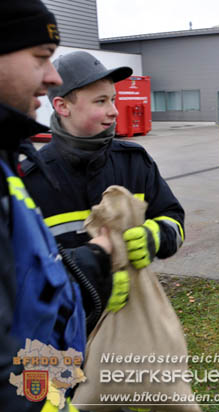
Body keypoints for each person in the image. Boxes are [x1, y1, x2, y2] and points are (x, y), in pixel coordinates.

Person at [0, 1, 113, 410]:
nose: (51, 77)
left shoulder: (10, 161)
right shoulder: (30, 169)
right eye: (41, 57)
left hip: (54, 367)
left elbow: (30, 295)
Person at [21, 51, 185, 320]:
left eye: (113, 99)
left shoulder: (135, 162)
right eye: (101, 101)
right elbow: (21, 274)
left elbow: (174, 221)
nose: (114, 111)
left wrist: (153, 237)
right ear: (63, 106)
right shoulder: (30, 180)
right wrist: (86, 275)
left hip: (130, 324)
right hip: (58, 334)